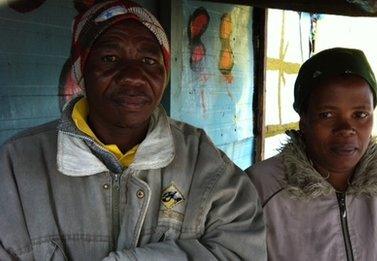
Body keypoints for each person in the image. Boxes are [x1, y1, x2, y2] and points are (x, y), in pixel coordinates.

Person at [0, 1, 266, 260]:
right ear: (82, 70)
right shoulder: (15, 164)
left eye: (149, 60)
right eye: (110, 58)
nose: (132, 76)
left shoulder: (203, 161)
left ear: (164, 74)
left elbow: (241, 249)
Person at [246, 47, 377, 260]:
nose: (346, 128)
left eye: (360, 114)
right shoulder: (258, 191)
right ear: (304, 120)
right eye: (327, 114)